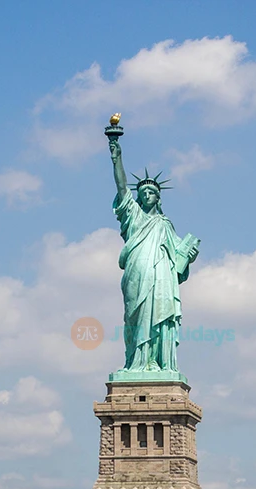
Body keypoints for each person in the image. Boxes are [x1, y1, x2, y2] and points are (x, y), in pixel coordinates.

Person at [108, 133, 199, 374]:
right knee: (135, 317)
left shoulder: (165, 224)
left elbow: (180, 256)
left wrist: (189, 254)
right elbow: (121, 187)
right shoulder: (133, 216)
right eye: (143, 192)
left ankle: (156, 363)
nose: (147, 194)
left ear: (158, 198)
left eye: (151, 192)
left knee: (160, 317)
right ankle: (135, 362)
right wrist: (117, 159)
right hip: (136, 275)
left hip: (161, 279)